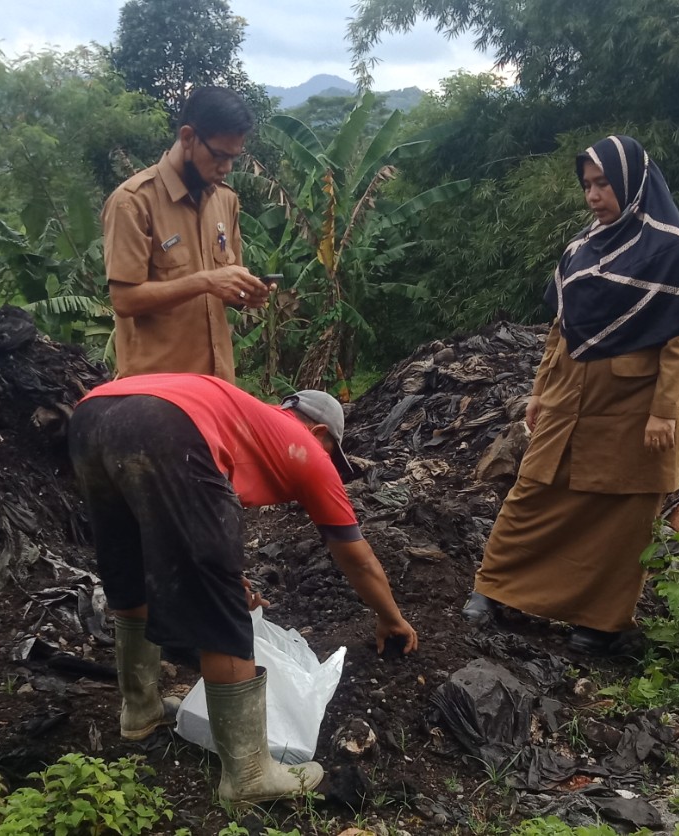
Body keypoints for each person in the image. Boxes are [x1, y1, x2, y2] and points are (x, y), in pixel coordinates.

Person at [68, 373, 418, 804]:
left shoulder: (246, 423)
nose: (329, 463)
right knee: (222, 606)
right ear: (320, 432)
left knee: (130, 567)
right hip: (164, 423)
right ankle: (249, 775)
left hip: (92, 414)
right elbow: (354, 554)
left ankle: (140, 710)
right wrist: (391, 617)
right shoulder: (304, 447)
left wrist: (226, 572)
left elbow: (180, 523)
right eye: (332, 454)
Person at [463, 135, 679, 655]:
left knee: (624, 517)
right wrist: (539, 393)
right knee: (533, 492)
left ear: (632, 182)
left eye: (603, 182)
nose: (593, 194)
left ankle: (599, 623)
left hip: (635, 408)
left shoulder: (671, 251)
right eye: (587, 184)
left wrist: (662, 411)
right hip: (569, 397)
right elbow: (560, 330)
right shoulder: (580, 251)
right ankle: (494, 590)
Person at [101, 87, 273, 382]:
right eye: (219, 155)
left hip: (216, 389)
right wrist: (205, 281)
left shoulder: (225, 200)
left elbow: (226, 287)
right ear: (188, 137)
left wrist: (247, 292)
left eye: (234, 158)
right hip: (156, 395)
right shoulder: (133, 202)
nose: (227, 168)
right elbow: (124, 300)